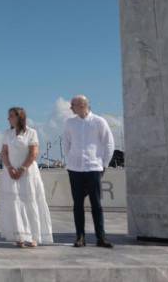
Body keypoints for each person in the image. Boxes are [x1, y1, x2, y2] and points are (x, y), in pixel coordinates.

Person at [63, 95, 114, 248]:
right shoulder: (69, 123)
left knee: (96, 204)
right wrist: (71, 159)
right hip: (75, 169)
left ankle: (101, 237)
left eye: (73, 105)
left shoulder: (99, 121)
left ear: (82, 105)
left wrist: (103, 165)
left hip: (94, 168)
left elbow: (109, 143)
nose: (71, 107)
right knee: (77, 204)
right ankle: (80, 237)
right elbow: (66, 144)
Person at [0, 107, 53, 247]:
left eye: (11, 116)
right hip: (10, 172)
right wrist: (10, 167)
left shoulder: (31, 133)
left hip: (27, 173)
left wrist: (22, 168)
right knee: (15, 204)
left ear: (19, 117)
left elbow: (33, 153)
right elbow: (4, 152)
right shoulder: (7, 133)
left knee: (30, 203)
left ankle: (33, 237)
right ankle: (20, 236)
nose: (8, 118)